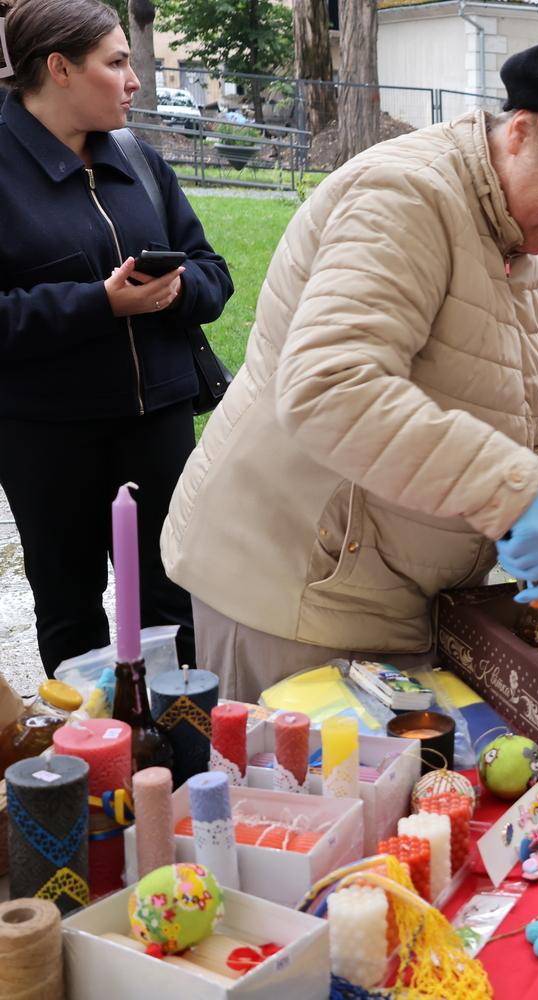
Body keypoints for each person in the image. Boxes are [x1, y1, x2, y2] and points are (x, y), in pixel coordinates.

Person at [161, 42, 538, 700]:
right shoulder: (405, 196)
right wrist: (511, 492)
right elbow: (330, 388)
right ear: (521, 134)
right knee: (301, 795)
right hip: (296, 589)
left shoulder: (537, 245)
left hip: (402, 593)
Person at [0, 0, 233, 676]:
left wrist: (176, 290)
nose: (135, 80)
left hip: (156, 421)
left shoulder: (139, 160)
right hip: (47, 435)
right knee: (71, 613)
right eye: (118, 62)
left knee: (175, 605)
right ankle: (96, 766)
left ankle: (176, 754)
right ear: (60, 68)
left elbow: (212, 273)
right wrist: (99, 304)